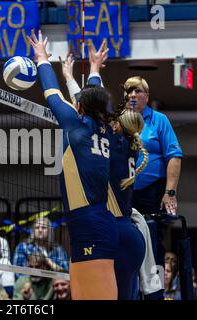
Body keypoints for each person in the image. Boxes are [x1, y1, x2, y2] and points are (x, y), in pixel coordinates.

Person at [28, 30, 119, 299]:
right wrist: (93, 69)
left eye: (78, 101)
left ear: (79, 108)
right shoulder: (102, 126)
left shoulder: (75, 125)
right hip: (88, 221)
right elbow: (94, 97)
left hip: (92, 221)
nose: (75, 101)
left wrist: (42, 58)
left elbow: (51, 93)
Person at [61, 46, 148, 300]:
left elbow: (86, 104)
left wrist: (71, 76)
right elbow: (89, 104)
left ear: (116, 126)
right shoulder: (130, 145)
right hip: (132, 236)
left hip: (113, 233)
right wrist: (93, 70)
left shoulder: (108, 141)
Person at [125, 76, 182, 270]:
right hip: (123, 191)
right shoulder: (118, 121)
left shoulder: (159, 120)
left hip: (153, 191)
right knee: (125, 239)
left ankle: (155, 290)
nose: (133, 94)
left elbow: (174, 156)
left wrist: (170, 193)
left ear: (146, 96)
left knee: (152, 240)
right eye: (129, 91)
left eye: (138, 90)